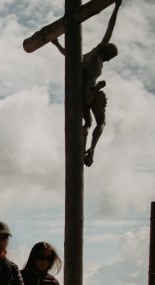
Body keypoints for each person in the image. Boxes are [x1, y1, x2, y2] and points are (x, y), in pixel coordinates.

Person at [51, 0, 121, 167]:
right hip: (92, 92)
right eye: (111, 55)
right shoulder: (98, 53)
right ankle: (92, 150)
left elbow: (69, 54)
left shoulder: (87, 57)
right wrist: (116, 7)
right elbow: (109, 31)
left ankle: (83, 151)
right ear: (108, 51)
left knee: (88, 123)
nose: (110, 59)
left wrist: (56, 44)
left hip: (81, 94)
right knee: (101, 122)